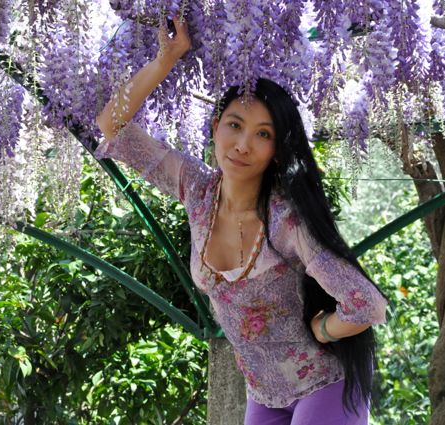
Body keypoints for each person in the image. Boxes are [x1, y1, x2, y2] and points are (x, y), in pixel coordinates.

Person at [96, 16, 388, 425]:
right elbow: (112, 125)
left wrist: (323, 331)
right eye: (234, 125)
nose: (243, 145)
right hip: (263, 394)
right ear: (215, 127)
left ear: (277, 152)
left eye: (263, 135)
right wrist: (167, 58)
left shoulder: (285, 219)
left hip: (324, 384)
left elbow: (367, 304)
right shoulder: (197, 191)